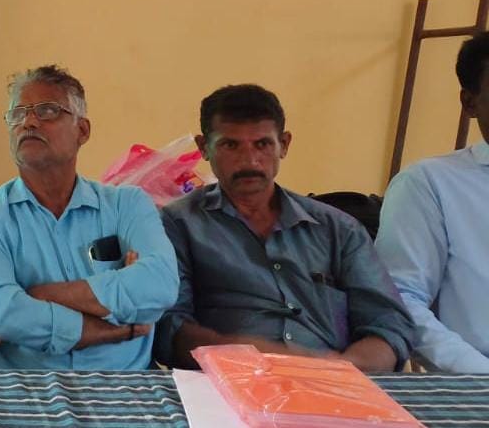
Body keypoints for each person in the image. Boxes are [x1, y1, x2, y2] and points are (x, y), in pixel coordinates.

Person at [156, 84, 413, 372]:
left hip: (337, 381)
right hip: (229, 379)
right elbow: (169, 326)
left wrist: (340, 370)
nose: (249, 161)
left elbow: (389, 325)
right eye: (230, 145)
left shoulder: (340, 229)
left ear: (284, 144)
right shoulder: (179, 224)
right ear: (204, 147)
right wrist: (243, 354)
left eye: (262, 144)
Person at [0, 65, 178, 370]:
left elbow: (160, 285)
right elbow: (2, 313)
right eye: (18, 114)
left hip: (125, 381)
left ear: (82, 131)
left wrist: (39, 294)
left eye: (47, 110)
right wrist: (115, 328)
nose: (28, 122)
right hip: (24, 386)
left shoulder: (127, 204)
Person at [375, 31, 489, 372]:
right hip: (476, 383)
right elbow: (400, 299)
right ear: (469, 102)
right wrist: (480, 376)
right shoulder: (430, 184)